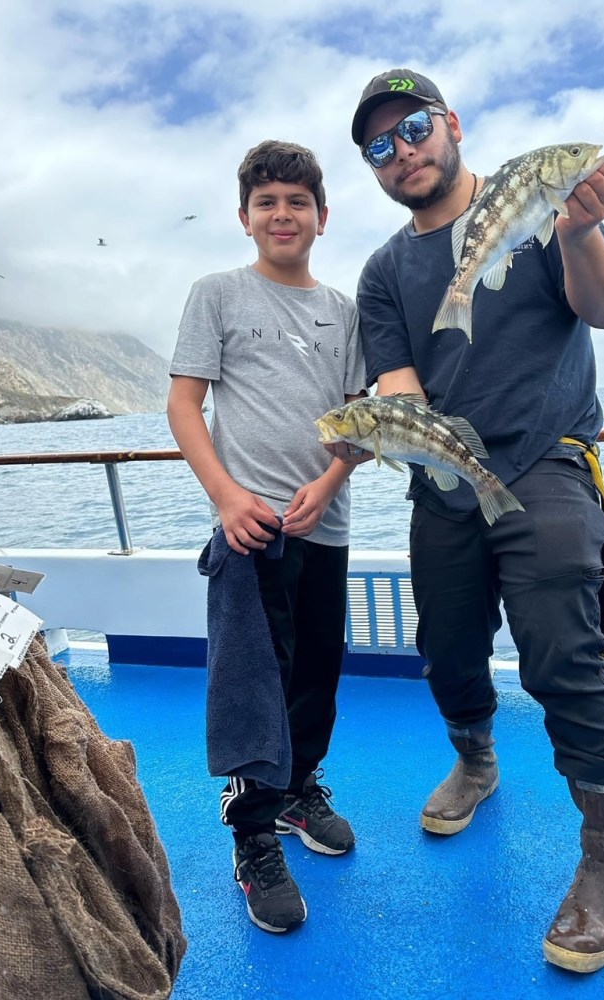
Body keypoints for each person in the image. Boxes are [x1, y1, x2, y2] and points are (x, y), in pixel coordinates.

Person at [342, 68, 604, 973]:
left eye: (415, 127)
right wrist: (402, 442)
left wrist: (580, 227)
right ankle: (476, 759)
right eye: (379, 145)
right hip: (445, 473)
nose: (403, 151)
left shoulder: (544, 201)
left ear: (451, 125)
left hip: (546, 457)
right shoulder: (386, 271)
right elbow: (400, 387)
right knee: (446, 644)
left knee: (559, 645)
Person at [167, 139, 367, 935]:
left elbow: (356, 421)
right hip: (249, 531)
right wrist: (226, 498)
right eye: (267, 203)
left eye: (297, 202)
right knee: (253, 686)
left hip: (326, 524)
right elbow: (185, 407)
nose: (282, 215)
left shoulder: (344, 312)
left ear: (323, 217)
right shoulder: (216, 294)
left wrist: (329, 483)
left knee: (318, 670)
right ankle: (253, 839)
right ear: (244, 218)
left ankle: (298, 792)